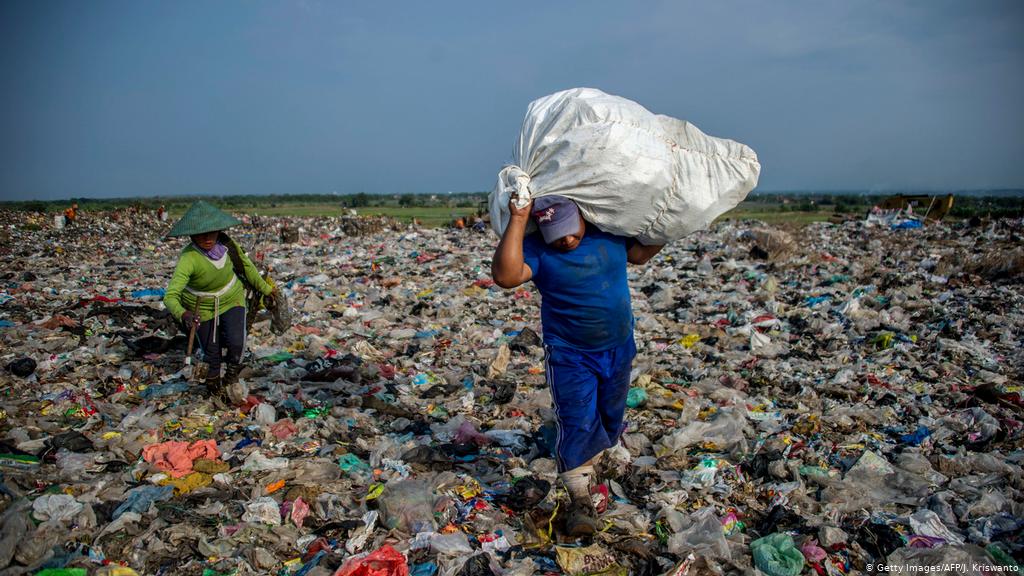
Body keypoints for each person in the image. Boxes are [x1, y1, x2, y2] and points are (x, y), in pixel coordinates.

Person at [491, 195, 663, 537]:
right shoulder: (539, 250)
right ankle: (580, 499)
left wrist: (673, 221)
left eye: (570, 230)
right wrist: (519, 217)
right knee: (578, 418)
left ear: (584, 215)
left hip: (618, 346)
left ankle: (601, 458)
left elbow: (641, 254)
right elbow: (506, 276)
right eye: (555, 233)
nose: (565, 239)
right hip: (570, 354)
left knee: (611, 414)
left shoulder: (608, 234)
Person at [163, 201, 277, 403]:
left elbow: (247, 268)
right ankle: (214, 389)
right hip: (201, 306)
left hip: (231, 298)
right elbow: (171, 296)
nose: (207, 238)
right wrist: (184, 313)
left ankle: (231, 376)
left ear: (218, 231)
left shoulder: (228, 246)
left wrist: (268, 290)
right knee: (212, 353)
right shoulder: (189, 258)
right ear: (191, 235)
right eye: (201, 234)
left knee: (236, 342)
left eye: (211, 232)